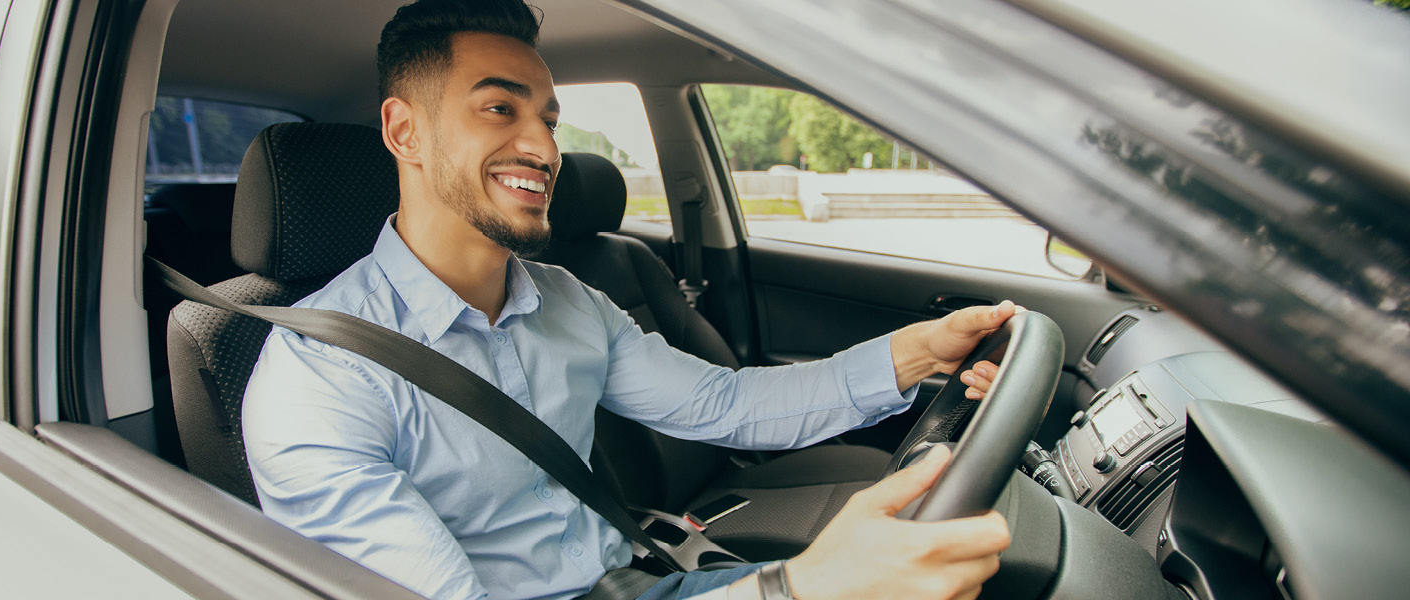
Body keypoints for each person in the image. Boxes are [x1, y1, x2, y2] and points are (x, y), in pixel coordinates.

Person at [240, 1, 1014, 598]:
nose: (545, 149)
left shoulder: (567, 301)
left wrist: (919, 353)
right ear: (404, 132)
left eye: (548, 118)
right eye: (499, 109)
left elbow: (731, 407)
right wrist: (798, 587)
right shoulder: (320, 377)